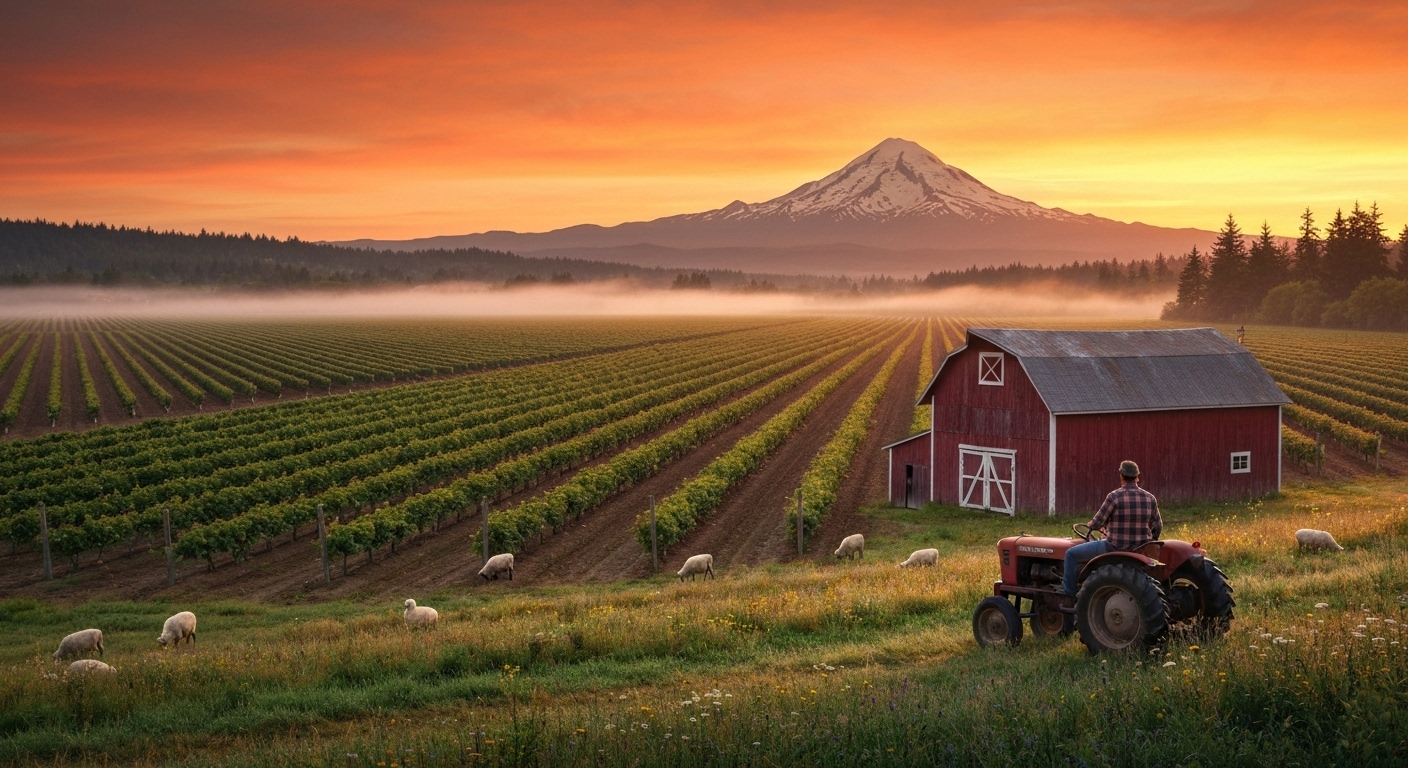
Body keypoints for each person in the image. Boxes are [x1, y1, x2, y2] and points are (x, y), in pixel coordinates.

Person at [1062, 460, 1163, 597]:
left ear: (1121, 475)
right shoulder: (1150, 498)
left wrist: (1090, 525)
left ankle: (1068, 594)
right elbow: (1158, 526)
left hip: (1114, 547)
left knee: (1071, 554)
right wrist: (1146, 543)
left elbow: (1097, 523)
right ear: (1137, 477)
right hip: (1141, 550)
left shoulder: (1114, 497)